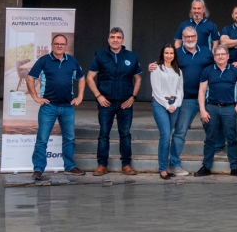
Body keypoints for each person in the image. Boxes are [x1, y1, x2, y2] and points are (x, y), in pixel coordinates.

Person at [27, 34, 86, 179]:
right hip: (49, 107)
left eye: (62, 44)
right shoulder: (44, 61)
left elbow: (82, 78)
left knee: (69, 138)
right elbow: (30, 77)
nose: (59, 46)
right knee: (42, 139)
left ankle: (69, 166)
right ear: (52, 45)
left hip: (67, 107)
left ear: (66, 46)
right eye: (57, 43)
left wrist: (80, 97)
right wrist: (36, 97)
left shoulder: (72, 61)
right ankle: (39, 169)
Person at [86, 27, 142, 176]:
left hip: (125, 103)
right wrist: (98, 96)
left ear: (122, 40)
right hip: (106, 103)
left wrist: (133, 97)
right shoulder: (100, 55)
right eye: (112, 37)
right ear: (108, 39)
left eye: (118, 37)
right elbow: (89, 77)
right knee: (104, 134)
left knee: (125, 134)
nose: (115, 39)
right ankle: (102, 165)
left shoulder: (132, 56)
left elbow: (138, 78)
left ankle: (126, 165)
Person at [166, 26, 213, 176]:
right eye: (187, 37)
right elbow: (165, 68)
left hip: (207, 99)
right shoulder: (177, 53)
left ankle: (209, 163)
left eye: (193, 36)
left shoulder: (206, 52)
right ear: (182, 38)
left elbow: (217, 67)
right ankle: (174, 164)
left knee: (213, 129)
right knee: (180, 132)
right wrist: (154, 66)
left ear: (197, 37)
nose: (190, 39)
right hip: (186, 99)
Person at [195, 45, 237, 178]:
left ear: (228, 56)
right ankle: (206, 166)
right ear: (214, 57)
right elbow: (201, 91)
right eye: (217, 54)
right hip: (211, 107)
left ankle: (234, 167)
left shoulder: (235, 70)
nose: (220, 56)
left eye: (223, 54)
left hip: (230, 108)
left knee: (231, 139)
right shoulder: (207, 70)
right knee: (210, 138)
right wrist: (202, 109)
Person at [150, 44, 183, 179]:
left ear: (174, 55)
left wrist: (175, 104)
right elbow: (156, 90)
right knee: (165, 135)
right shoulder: (156, 68)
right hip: (160, 104)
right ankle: (162, 168)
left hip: (174, 105)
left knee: (169, 135)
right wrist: (166, 105)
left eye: (171, 53)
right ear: (162, 54)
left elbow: (180, 90)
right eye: (166, 53)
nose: (169, 55)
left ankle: (168, 167)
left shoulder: (178, 71)